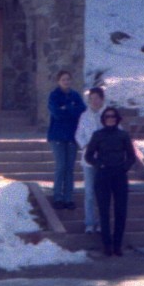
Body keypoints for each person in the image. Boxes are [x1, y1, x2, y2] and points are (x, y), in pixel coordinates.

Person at [84, 106, 138, 256]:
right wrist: (99, 164)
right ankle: (107, 245)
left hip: (119, 176)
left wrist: (124, 168)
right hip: (103, 175)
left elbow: (131, 156)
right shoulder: (97, 135)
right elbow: (89, 156)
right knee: (104, 211)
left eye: (113, 117)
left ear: (117, 119)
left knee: (121, 211)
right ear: (103, 119)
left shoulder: (123, 135)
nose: (110, 119)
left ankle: (117, 245)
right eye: (107, 117)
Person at [47, 70, 86, 210]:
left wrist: (67, 108)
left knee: (70, 168)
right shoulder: (54, 95)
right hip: (57, 136)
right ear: (59, 81)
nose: (66, 82)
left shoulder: (75, 95)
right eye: (63, 79)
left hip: (71, 136)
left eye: (68, 79)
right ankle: (57, 196)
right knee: (61, 166)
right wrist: (71, 109)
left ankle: (68, 197)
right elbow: (56, 113)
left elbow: (82, 110)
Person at [75, 86, 106, 233]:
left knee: (103, 192)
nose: (94, 101)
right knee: (89, 192)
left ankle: (102, 222)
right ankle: (89, 222)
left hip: (105, 160)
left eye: (97, 98)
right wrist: (86, 145)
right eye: (92, 99)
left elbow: (118, 132)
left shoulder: (108, 115)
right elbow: (79, 135)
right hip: (89, 159)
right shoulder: (84, 116)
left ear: (102, 100)